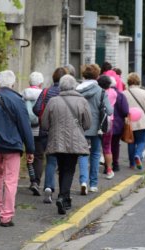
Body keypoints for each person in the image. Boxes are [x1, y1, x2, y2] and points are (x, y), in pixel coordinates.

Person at [0, 70, 34, 227]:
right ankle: (6, 216)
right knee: (11, 180)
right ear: (13, 83)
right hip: (12, 145)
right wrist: (30, 149)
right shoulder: (17, 100)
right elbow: (25, 125)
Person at [41, 74, 91, 214]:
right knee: (69, 169)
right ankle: (63, 197)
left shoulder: (53, 101)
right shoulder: (82, 101)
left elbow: (44, 124)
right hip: (75, 141)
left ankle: (65, 197)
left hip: (56, 140)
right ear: (74, 85)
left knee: (62, 167)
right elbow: (87, 124)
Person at [76, 64, 113, 194]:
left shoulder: (76, 90)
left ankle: (83, 181)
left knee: (82, 154)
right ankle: (93, 184)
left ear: (83, 75)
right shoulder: (101, 91)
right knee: (96, 154)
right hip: (97, 128)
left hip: (80, 127)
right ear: (97, 76)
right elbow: (109, 110)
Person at [33, 67, 68, 203]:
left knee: (51, 161)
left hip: (46, 131)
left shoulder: (46, 91)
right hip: (63, 132)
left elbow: (36, 109)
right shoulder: (67, 93)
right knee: (64, 162)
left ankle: (48, 187)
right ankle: (64, 192)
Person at [123, 72, 145, 170]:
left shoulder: (124, 93)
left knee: (131, 142)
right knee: (142, 141)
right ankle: (138, 155)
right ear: (138, 81)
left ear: (129, 81)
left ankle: (132, 164)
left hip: (129, 122)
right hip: (141, 121)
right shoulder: (144, 93)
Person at [21, 72, 44, 196]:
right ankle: (36, 182)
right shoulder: (43, 94)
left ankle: (32, 179)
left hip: (26, 130)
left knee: (29, 154)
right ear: (40, 83)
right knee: (39, 156)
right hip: (39, 129)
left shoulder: (22, 94)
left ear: (29, 83)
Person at [97, 75, 117, 180]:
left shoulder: (97, 92)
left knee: (95, 146)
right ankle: (109, 170)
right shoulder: (113, 93)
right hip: (109, 121)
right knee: (107, 146)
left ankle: (94, 170)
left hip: (97, 120)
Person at [110, 76, 129, 172]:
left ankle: (107, 165)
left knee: (106, 145)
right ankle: (115, 164)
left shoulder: (104, 94)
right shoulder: (120, 95)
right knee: (115, 145)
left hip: (106, 124)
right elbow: (125, 111)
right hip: (118, 124)